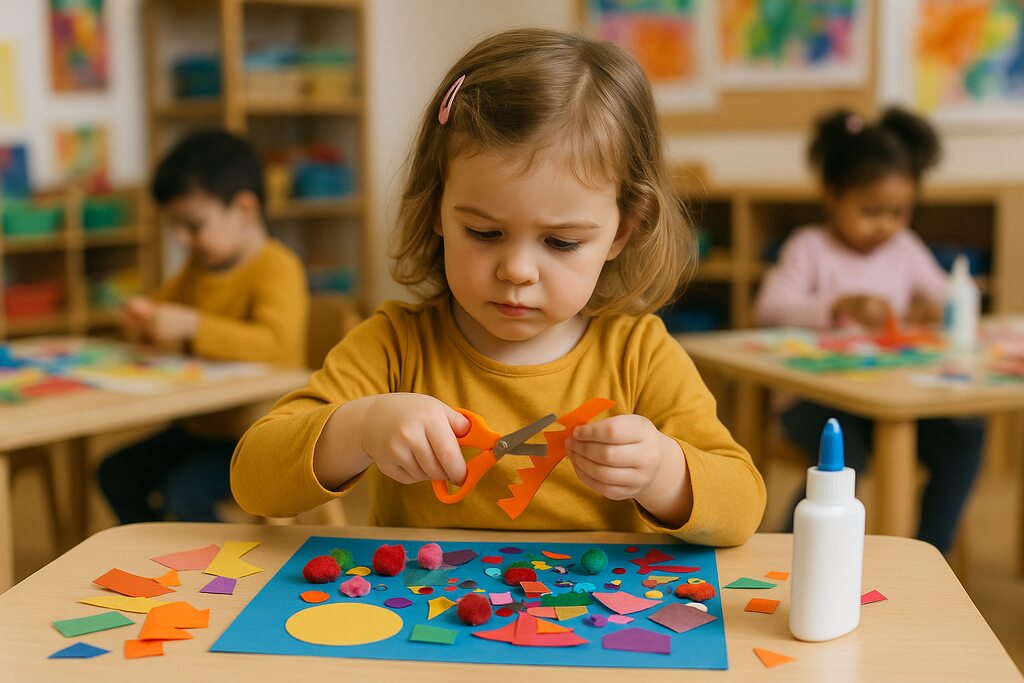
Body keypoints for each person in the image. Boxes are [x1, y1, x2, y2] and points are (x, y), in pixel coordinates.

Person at [231, 28, 765, 545]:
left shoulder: (639, 357)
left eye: (560, 242)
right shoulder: (394, 347)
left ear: (622, 231)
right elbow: (253, 481)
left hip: (592, 631)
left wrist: (664, 473)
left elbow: (742, 508)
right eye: (484, 232)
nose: (516, 270)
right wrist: (360, 427)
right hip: (423, 623)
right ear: (438, 207)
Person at [755, 108, 982, 553]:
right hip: (811, 398)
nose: (886, 224)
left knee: (963, 436)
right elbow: (768, 309)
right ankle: (784, 553)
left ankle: (928, 553)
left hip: (893, 399)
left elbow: (947, 292)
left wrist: (934, 306)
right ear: (832, 196)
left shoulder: (904, 248)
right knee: (843, 460)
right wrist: (837, 305)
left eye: (899, 211)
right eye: (871, 210)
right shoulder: (810, 247)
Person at [98, 129, 309, 523]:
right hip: (199, 426)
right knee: (116, 473)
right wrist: (143, 318)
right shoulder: (200, 266)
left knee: (185, 492)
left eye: (193, 225)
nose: (182, 239)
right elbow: (164, 308)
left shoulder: (277, 267)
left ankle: (215, 572)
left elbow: (275, 345)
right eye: (176, 227)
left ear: (245, 209)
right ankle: (153, 555)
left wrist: (193, 326)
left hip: (259, 436)